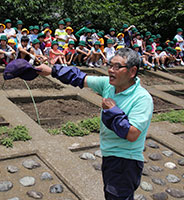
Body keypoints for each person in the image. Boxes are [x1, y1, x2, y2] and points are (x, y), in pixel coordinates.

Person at [36, 47, 153, 200]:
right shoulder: (108, 85)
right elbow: (80, 78)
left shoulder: (142, 99)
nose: (111, 70)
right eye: (110, 65)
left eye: (117, 67)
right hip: (110, 155)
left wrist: (113, 111)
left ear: (132, 71)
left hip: (126, 161)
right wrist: (51, 71)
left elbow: (132, 134)